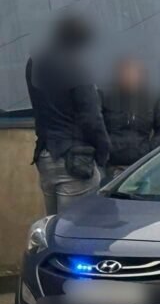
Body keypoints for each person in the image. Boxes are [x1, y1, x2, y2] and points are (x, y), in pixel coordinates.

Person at [25, 13, 110, 214]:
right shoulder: (77, 67)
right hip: (74, 158)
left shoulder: (35, 63)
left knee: (53, 226)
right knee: (74, 229)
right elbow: (91, 118)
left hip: (45, 154)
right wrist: (103, 152)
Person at [101, 58, 160, 180]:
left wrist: (151, 149)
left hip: (142, 166)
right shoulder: (106, 97)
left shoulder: (151, 98)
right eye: (126, 74)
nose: (130, 78)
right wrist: (106, 150)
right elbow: (95, 125)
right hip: (111, 166)